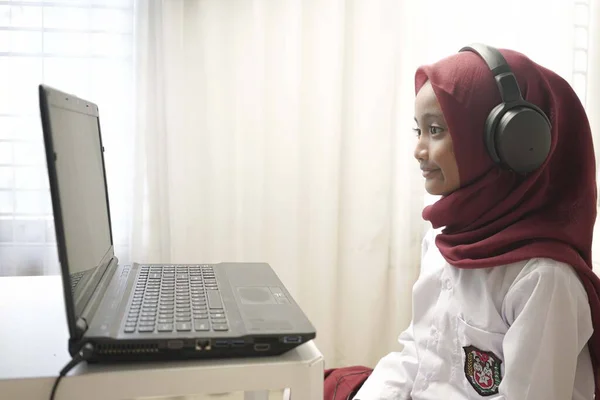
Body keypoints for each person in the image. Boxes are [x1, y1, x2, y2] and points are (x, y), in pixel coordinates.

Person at [324, 44, 600, 400]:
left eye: (436, 130)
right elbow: (417, 352)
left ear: (508, 143)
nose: (419, 150)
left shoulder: (542, 280)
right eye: (418, 131)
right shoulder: (442, 243)